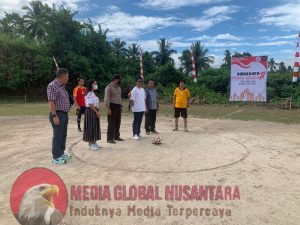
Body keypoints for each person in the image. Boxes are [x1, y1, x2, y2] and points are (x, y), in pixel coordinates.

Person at [47, 68, 72, 165]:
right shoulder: (52, 86)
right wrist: (54, 115)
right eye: (67, 76)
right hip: (57, 114)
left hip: (64, 114)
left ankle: (61, 153)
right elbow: (51, 101)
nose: (68, 78)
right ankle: (56, 157)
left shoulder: (61, 86)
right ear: (62, 76)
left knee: (63, 135)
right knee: (58, 135)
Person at [104, 74, 124, 144]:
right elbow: (107, 98)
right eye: (116, 79)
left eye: (118, 80)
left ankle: (116, 136)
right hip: (112, 106)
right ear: (113, 79)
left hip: (118, 106)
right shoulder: (109, 87)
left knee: (118, 122)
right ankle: (109, 138)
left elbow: (119, 97)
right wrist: (108, 108)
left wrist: (121, 106)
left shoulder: (119, 88)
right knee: (111, 123)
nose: (117, 81)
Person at [83, 79, 101, 150]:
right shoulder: (89, 93)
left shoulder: (93, 93)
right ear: (91, 85)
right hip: (91, 111)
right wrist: (96, 111)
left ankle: (94, 142)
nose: (96, 85)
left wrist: (97, 111)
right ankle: (90, 144)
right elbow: (90, 104)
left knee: (95, 126)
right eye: (94, 84)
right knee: (90, 126)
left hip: (94, 110)